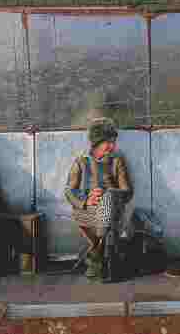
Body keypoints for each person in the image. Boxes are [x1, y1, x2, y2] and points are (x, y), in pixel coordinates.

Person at [64, 117, 133, 280]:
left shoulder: (116, 161)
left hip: (112, 211)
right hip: (87, 212)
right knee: (103, 222)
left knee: (108, 201)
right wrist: (86, 200)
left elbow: (127, 191)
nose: (112, 146)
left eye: (113, 142)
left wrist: (109, 194)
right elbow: (69, 191)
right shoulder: (81, 162)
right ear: (96, 142)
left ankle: (98, 258)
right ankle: (100, 253)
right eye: (108, 142)